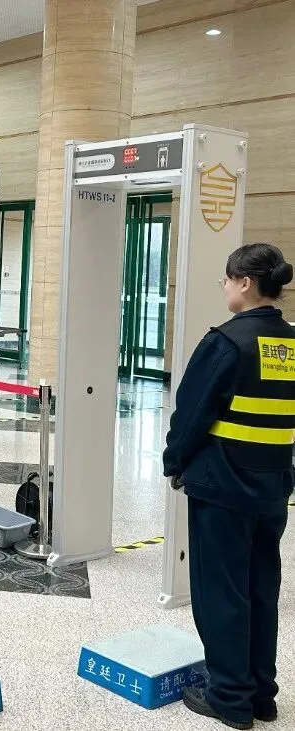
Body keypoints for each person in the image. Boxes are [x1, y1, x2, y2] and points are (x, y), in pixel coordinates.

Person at [163, 243, 295, 730]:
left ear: (244, 282)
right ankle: (261, 694)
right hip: (272, 488)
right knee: (260, 589)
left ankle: (230, 698)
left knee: (222, 592)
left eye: (226, 279)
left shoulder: (227, 342)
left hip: (223, 488)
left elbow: (192, 413)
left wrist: (175, 461)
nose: (224, 287)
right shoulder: (292, 342)